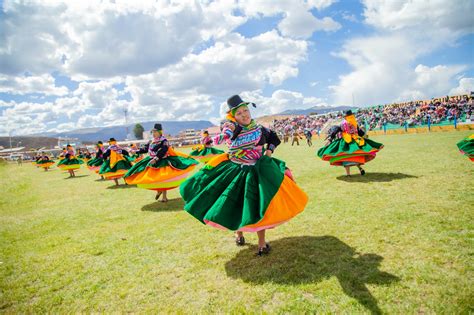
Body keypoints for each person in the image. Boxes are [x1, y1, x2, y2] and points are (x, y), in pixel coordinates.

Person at [180, 95, 308, 256]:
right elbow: (225, 135)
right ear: (233, 116)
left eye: (245, 110)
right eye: (239, 113)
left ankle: (262, 244)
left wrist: (269, 151)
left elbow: (274, 138)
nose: (244, 115)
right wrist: (213, 140)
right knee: (235, 206)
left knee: (259, 206)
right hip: (236, 171)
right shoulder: (232, 127)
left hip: (258, 171)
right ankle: (239, 234)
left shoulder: (260, 129)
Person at [124, 124, 198, 201]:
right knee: (154, 177)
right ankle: (159, 190)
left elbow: (163, 150)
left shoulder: (164, 141)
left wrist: (156, 159)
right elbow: (145, 149)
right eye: (153, 132)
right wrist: (135, 151)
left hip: (162, 160)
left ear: (160, 132)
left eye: (155, 132)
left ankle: (164, 197)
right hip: (151, 160)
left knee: (163, 178)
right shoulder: (151, 141)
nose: (153, 133)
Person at [317, 110, 384, 176]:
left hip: (346, 140)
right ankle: (360, 168)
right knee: (355, 155)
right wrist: (364, 136)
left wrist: (330, 138)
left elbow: (337, 130)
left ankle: (348, 174)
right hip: (356, 140)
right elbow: (360, 132)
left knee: (345, 156)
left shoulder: (343, 123)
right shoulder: (354, 122)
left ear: (345, 116)